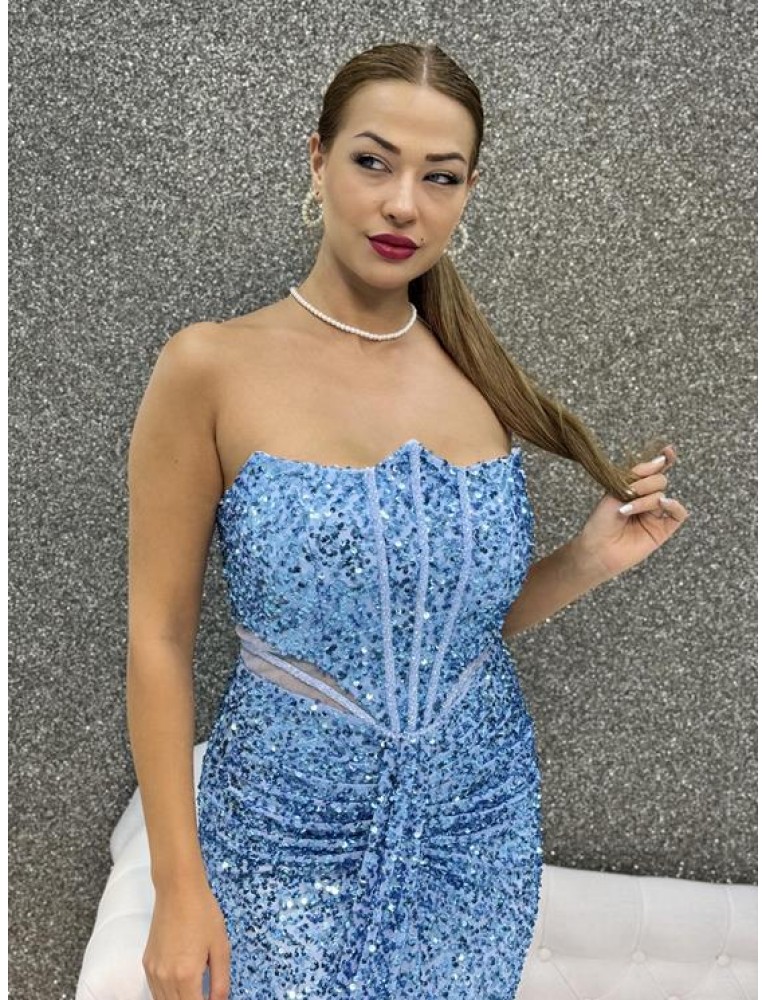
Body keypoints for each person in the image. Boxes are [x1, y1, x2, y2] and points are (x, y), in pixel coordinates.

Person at [126, 40, 689, 1000]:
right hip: (281, 828)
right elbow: (160, 634)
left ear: (469, 193)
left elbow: (456, 631)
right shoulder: (209, 366)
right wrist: (179, 889)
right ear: (317, 160)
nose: (403, 204)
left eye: (441, 176)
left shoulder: (477, 382)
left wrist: (587, 560)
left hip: (476, 826)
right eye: (373, 162)